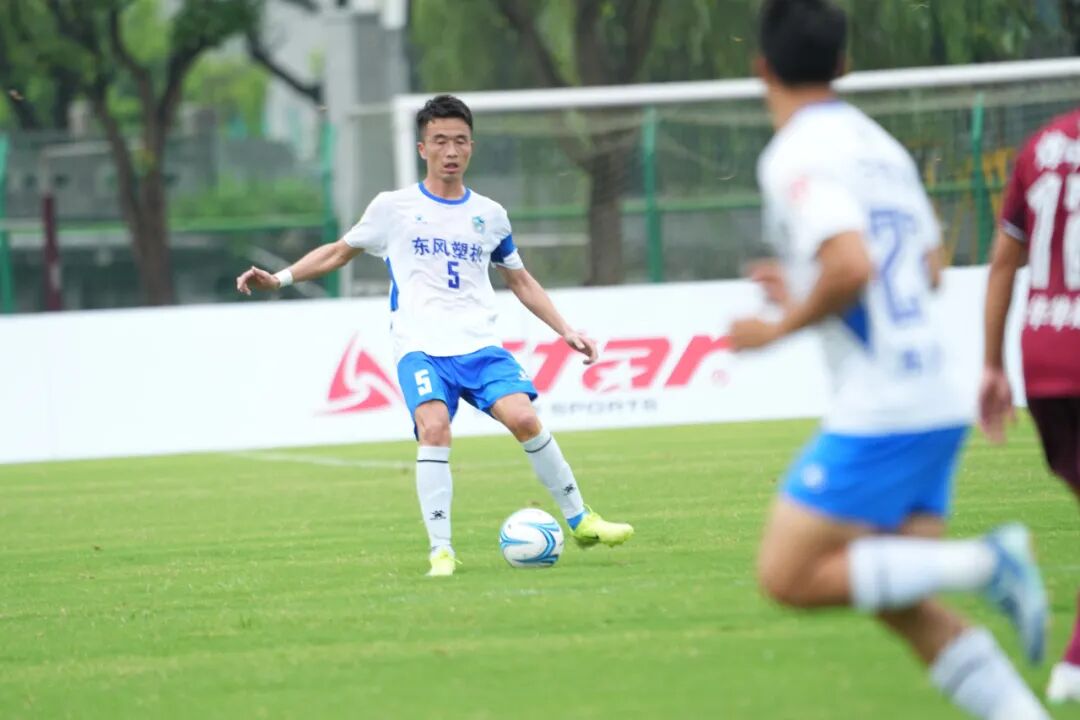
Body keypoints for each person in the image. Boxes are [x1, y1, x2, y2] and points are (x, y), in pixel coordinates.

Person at [728, 1, 1049, 717]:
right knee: (900, 601)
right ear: (843, 65)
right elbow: (929, 268)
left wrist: (778, 328)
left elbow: (850, 265)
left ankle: (987, 561)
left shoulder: (794, 154)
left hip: (886, 404)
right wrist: (809, 287)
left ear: (762, 69)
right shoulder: (880, 145)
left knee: (787, 574)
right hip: (935, 392)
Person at [236, 94, 633, 577]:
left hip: (479, 346)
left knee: (525, 419)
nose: (451, 150)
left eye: (460, 141)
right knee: (435, 428)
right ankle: (441, 551)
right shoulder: (393, 208)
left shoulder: (490, 215)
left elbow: (520, 280)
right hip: (420, 348)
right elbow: (339, 252)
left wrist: (565, 329)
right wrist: (280, 279)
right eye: (440, 140)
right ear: (423, 148)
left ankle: (582, 520)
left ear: (471, 148)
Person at [980, 105, 1080, 704]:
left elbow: (1003, 262)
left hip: (1042, 358)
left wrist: (992, 365)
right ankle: (1074, 666)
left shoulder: (1041, 145)